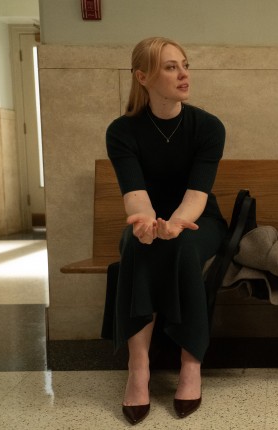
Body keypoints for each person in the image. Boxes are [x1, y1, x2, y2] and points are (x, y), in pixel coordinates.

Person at [105, 37, 227, 425]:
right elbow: (135, 196)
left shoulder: (208, 127)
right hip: (148, 218)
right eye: (171, 67)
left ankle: (191, 364)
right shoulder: (122, 131)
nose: (184, 74)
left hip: (199, 219)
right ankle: (138, 367)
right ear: (142, 77)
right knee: (135, 244)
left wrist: (174, 225)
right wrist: (145, 225)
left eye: (185, 65)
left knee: (183, 246)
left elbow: (197, 195)